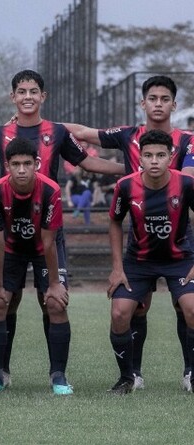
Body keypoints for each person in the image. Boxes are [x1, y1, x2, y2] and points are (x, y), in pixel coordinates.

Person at [0, 69, 124, 387]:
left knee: (54, 300)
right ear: (12, 96)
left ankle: (58, 377)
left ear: (43, 96)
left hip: (48, 233)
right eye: (22, 91)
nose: (27, 96)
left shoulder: (56, 132)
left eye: (33, 91)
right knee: (2, 300)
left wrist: (128, 171)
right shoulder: (1, 133)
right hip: (9, 238)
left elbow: (88, 161)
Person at [65, 75, 194, 390]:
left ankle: (190, 373)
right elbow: (83, 133)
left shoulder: (189, 140)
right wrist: (38, 124)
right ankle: (130, 375)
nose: (158, 104)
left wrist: (154, 175)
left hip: (179, 245)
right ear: (143, 103)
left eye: (165, 99)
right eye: (153, 98)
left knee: (187, 306)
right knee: (131, 308)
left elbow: (188, 176)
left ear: (174, 104)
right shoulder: (127, 136)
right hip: (140, 249)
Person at [0, 137, 72, 395]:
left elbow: (49, 240)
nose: (21, 169)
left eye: (27, 164)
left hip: (45, 249)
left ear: (37, 164)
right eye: (16, 164)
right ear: (6, 165)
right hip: (10, 248)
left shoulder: (50, 190)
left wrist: (54, 284)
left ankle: (59, 376)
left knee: (54, 302)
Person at [107, 129, 194, 394]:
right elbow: (114, 222)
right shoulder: (126, 186)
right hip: (139, 261)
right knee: (120, 313)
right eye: (148, 155)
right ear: (140, 159)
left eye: (160, 155)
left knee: (192, 309)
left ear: (171, 157)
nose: (154, 160)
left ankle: (191, 374)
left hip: (179, 258)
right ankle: (128, 377)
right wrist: (117, 268)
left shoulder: (187, 185)